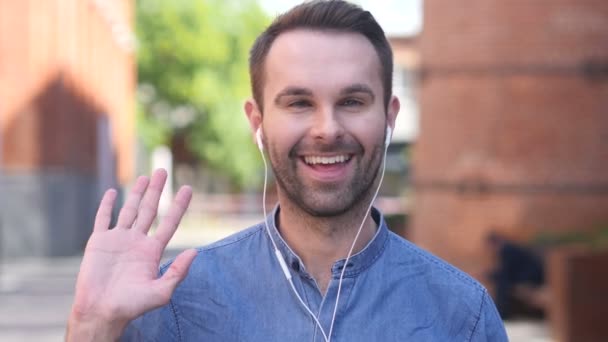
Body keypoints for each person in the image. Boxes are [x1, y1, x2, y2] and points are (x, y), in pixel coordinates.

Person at [66, 1, 508, 341]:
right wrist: (89, 326)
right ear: (257, 121)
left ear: (390, 117)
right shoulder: (175, 298)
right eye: (299, 103)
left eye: (352, 101)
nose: (327, 129)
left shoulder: (461, 314)